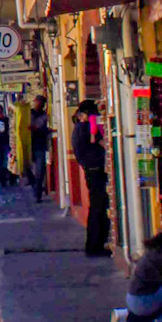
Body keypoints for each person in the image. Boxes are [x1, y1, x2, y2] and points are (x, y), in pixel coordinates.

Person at [72, 101, 111, 257]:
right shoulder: (84, 128)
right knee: (98, 208)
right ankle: (94, 246)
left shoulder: (80, 128)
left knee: (99, 207)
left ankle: (96, 244)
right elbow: (101, 140)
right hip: (95, 171)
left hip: (92, 170)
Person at [29, 95, 52, 203]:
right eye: (37, 102)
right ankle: (35, 187)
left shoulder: (45, 115)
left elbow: (43, 128)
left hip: (40, 146)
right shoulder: (29, 113)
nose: (38, 104)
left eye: (41, 102)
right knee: (27, 170)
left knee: (39, 171)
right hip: (29, 146)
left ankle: (38, 193)